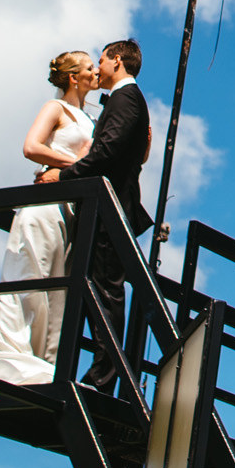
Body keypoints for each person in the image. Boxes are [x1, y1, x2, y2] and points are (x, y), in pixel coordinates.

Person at [0, 51, 99, 419]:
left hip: (70, 212)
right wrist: (77, 165)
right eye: (90, 67)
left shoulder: (91, 118)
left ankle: (45, 366)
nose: (96, 72)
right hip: (45, 207)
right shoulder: (55, 108)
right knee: (30, 282)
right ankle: (11, 360)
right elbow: (31, 147)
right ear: (74, 78)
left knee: (57, 291)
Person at [39, 38, 152, 394]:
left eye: (101, 60)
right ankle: (97, 373)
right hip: (105, 207)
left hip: (110, 209)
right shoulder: (125, 100)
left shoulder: (125, 98)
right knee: (94, 288)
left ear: (117, 61)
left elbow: (107, 153)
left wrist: (63, 176)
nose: (98, 67)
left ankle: (102, 379)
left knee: (105, 291)